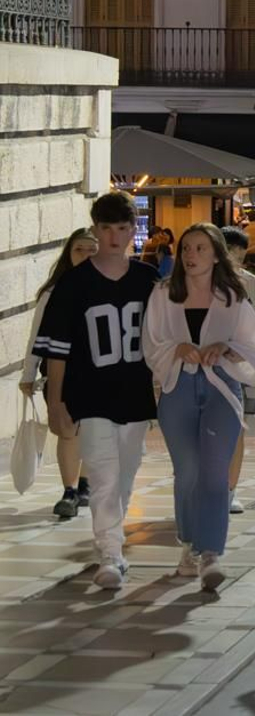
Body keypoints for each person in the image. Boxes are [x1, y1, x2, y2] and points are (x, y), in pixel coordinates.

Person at [36, 192, 161, 590]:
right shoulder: (73, 284)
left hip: (135, 393)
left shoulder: (148, 280)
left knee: (126, 472)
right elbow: (57, 349)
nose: (113, 237)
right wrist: (56, 403)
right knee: (103, 474)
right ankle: (110, 552)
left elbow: (161, 340)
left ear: (131, 232)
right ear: (95, 229)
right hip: (88, 394)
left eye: (121, 228)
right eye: (106, 228)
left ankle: (113, 541)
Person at [145, 223, 255, 591]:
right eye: (187, 248)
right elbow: (151, 342)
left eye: (200, 248)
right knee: (187, 472)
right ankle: (189, 544)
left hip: (221, 388)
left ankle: (212, 552)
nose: (191, 255)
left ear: (216, 254)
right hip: (178, 387)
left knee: (215, 473)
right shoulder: (164, 293)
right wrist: (176, 349)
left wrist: (227, 349)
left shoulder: (232, 296)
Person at [19, 228, 96, 519]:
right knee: (67, 431)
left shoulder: (109, 288)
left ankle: (86, 484)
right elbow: (37, 335)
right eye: (80, 250)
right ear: (69, 254)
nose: (86, 255)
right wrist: (28, 374)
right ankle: (69, 490)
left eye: (92, 250)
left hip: (98, 371)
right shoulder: (54, 292)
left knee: (91, 430)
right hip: (61, 369)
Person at [221, 225, 255, 515]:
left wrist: (254, 365)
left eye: (238, 255)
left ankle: (230, 489)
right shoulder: (198, 283)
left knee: (236, 430)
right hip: (206, 366)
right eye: (227, 252)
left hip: (240, 370)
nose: (233, 261)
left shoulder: (254, 286)